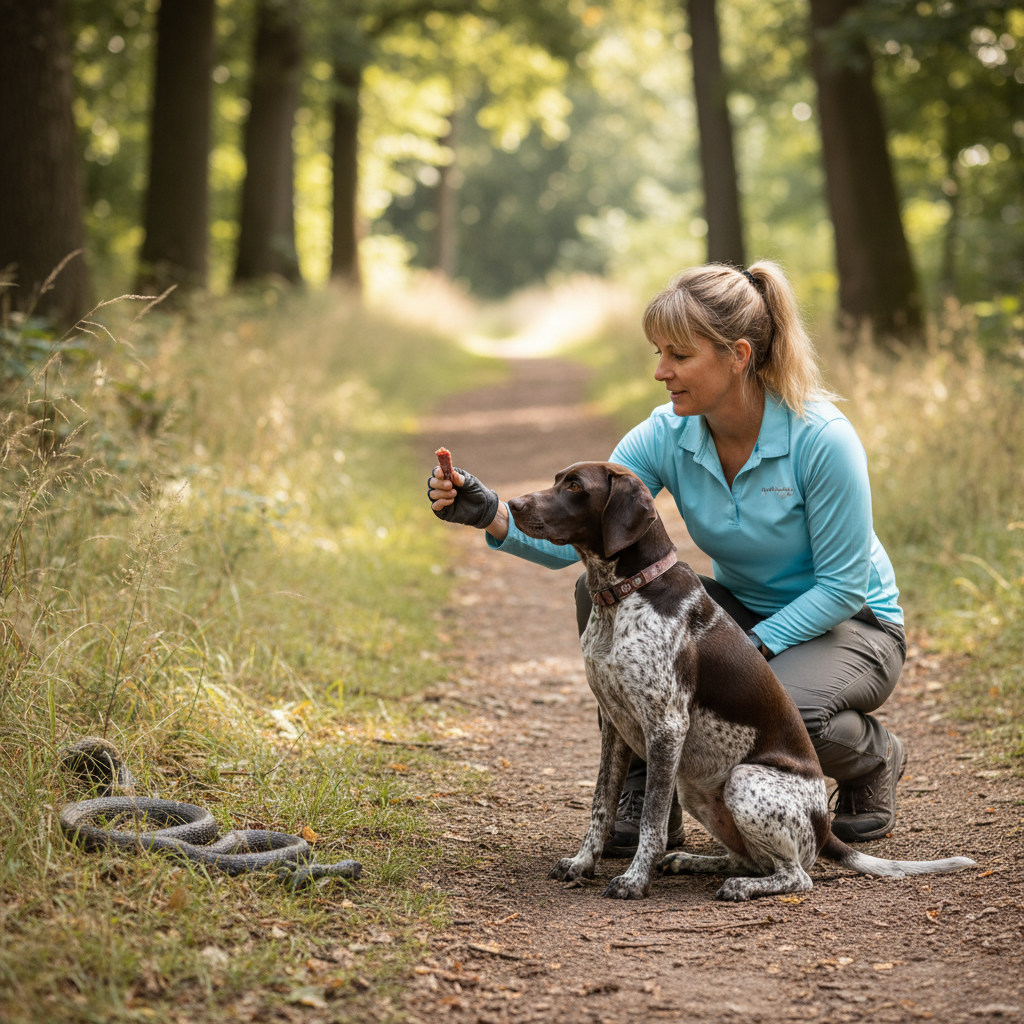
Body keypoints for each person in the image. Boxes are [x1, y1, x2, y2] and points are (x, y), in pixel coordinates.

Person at [428, 261, 907, 855]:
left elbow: (842, 587)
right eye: (659, 352)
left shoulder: (821, 439)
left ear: (737, 354)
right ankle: (641, 799)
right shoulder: (666, 433)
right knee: (605, 590)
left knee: (785, 713)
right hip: (743, 609)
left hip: (853, 624)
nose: (661, 372)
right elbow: (587, 535)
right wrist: (491, 513)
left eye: (679, 356)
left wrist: (750, 654)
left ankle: (873, 757)